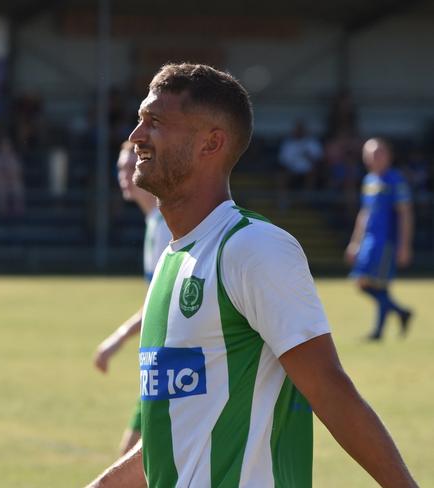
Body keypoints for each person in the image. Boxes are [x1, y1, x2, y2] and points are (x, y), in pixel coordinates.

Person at [86, 63, 417, 488]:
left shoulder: (252, 248)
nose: (136, 137)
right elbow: (180, 433)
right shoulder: (174, 259)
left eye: (155, 122)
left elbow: (332, 393)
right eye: (138, 121)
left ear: (211, 143)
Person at [94, 140, 172, 455]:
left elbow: (159, 303)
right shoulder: (154, 222)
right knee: (137, 459)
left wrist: (117, 338)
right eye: (120, 168)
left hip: (171, 357)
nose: (123, 175)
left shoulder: (166, 224)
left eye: (131, 166)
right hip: (161, 355)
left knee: (135, 459)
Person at [345, 138, 414, 341]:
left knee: (379, 285)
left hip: (386, 242)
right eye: (369, 154)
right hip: (368, 241)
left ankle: (378, 332)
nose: (372, 158)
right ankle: (401, 312)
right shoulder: (369, 181)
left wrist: (404, 245)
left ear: (388, 155)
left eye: (377, 153)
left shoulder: (395, 180)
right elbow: (364, 213)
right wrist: (355, 242)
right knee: (362, 282)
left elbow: (405, 214)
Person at [277, 119, 323, 208]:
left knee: (312, 175)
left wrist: (309, 156)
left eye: (301, 129)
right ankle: (283, 202)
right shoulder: (288, 143)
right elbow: (283, 161)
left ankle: (306, 202)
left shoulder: (312, 142)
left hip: (308, 171)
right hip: (292, 171)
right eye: (297, 129)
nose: (299, 131)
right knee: (281, 176)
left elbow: (318, 160)